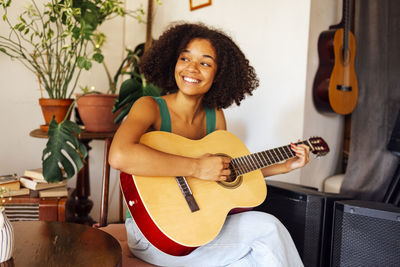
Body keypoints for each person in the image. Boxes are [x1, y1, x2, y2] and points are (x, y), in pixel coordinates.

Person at [109, 22, 310, 267]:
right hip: (153, 233)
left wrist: (283, 167)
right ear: (173, 62)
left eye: (205, 63)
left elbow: (222, 176)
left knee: (248, 262)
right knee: (269, 229)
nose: (192, 68)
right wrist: (195, 167)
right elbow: (119, 156)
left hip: (200, 228)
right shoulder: (149, 107)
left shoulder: (215, 117)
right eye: (185, 58)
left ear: (219, 75)